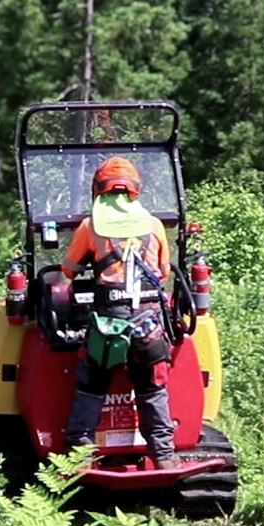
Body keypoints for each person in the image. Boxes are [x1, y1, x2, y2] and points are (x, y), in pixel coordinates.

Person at [61, 156, 180, 468]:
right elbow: (164, 271)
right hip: (149, 323)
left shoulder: (91, 226)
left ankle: (80, 453)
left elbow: (69, 271)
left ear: (98, 189)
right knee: (153, 386)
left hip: (109, 324)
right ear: (135, 190)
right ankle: (164, 456)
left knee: (92, 383)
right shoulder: (154, 225)